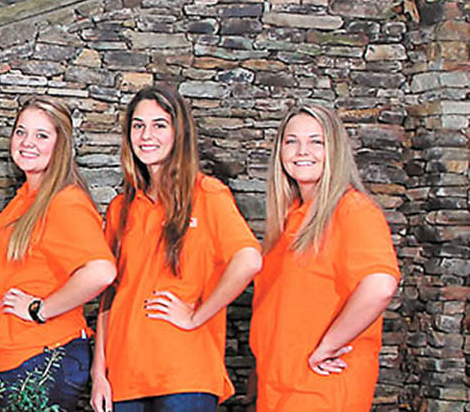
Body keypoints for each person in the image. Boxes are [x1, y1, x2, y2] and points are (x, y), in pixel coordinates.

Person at [90, 85, 262, 412]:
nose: (146, 134)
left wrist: (197, 315)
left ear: (178, 132)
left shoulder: (208, 194)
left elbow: (249, 260)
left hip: (186, 375)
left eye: (159, 125)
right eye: (138, 125)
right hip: (125, 378)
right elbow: (110, 297)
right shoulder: (120, 208)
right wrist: (99, 373)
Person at [0, 97, 115, 410]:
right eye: (21, 132)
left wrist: (40, 310)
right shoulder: (23, 200)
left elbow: (101, 271)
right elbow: (1, 280)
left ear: (61, 145)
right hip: (5, 358)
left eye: (41, 135)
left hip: (41, 357)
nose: (27, 142)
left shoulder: (65, 201)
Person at [250, 103, 399, 411]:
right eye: (292, 141)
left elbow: (381, 285)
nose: (302, 151)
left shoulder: (352, 210)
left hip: (321, 388)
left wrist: (328, 346)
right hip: (279, 388)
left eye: (316, 141)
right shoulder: (291, 220)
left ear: (335, 150)